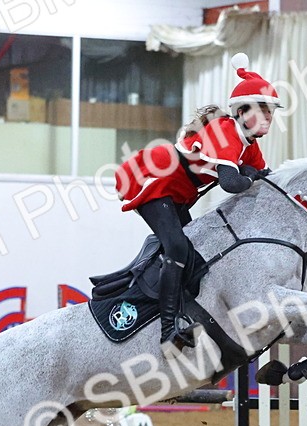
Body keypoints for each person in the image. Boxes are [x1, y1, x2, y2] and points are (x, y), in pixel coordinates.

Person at [115, 53, 282, 350]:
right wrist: (251, 175)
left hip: (180, 191)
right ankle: (167, 331)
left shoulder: (249, 146)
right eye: (263, 110)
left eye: (271, 112)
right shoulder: (225, 131)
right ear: (242, 112)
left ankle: (176, 309)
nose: (269, 117)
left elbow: (260, 179)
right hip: (156, 179)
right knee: (178, 247)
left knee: (195, 251)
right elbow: (233, 183)